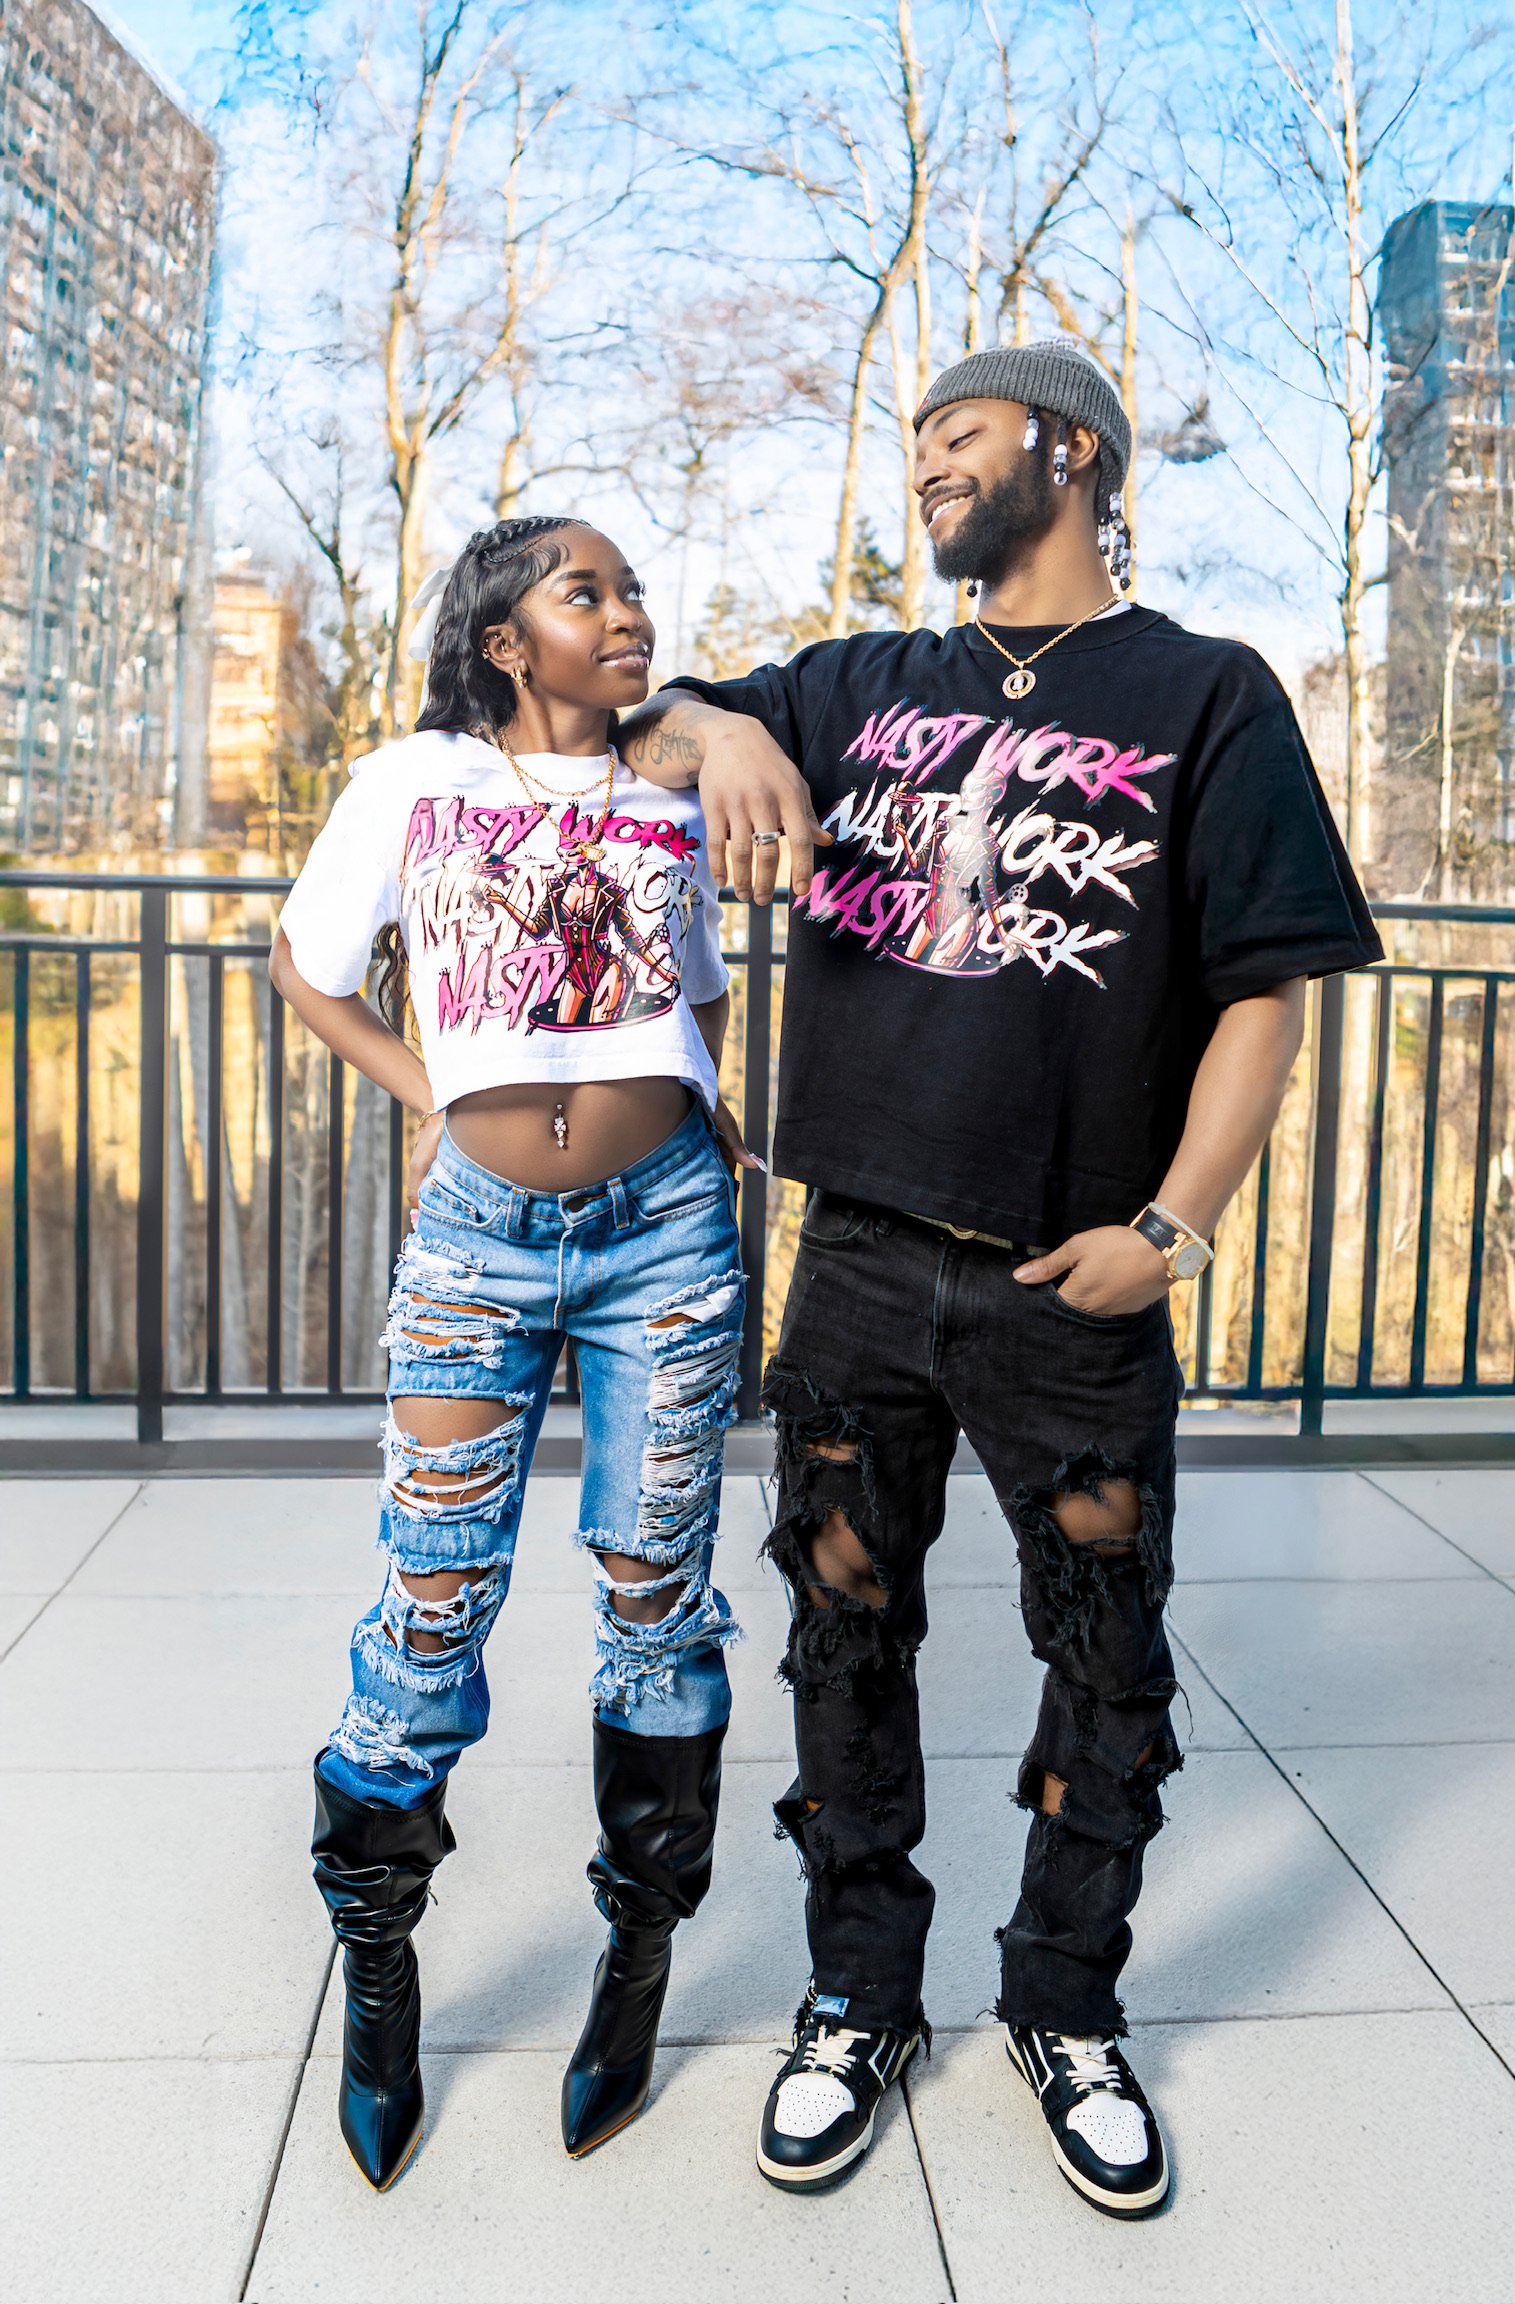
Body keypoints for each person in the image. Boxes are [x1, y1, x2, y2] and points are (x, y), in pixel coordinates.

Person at [619, 336, 1382, 2217]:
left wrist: (1174, 1231)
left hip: (1073, 1286)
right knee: (843, 1634)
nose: (929, 468)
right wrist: (718, 729)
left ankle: (1065, 2004)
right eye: (916, 444)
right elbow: (653, 726)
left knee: (1106, 1661)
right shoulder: (859, 682)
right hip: (859, 1260)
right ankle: (858, 1991)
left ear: (1073, 448)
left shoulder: (1208, 695)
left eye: (959, 435)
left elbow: (1264, 998)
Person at [271, 515, 754, 2189]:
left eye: (632, 590)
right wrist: (433, 1100)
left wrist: (716, 1101)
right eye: (588, 593)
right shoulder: (411, 781)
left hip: (669, 1238)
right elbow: (308, 970)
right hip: (480, 1239)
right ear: (504, 639)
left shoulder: (672, 791)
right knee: (431, 1598)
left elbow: (695, 996)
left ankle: (636, 1956)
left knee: (654, 1596)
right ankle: (382, 1971)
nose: (629, 614)